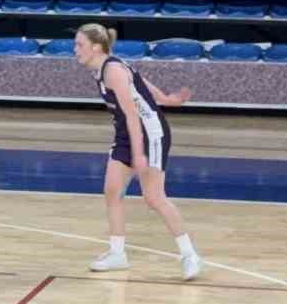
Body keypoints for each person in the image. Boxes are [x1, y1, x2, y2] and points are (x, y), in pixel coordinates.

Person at [72, 23, 202, 280]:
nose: (75, 50)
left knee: (154, 197)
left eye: (79, 45)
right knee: (112, 190)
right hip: (126, 135)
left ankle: (190, 256)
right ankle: (118, 254)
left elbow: (133, 114)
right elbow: (142, 84)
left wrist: (139, 153)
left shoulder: (113, 72)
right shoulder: (107, 67)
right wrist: (168, 98)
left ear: (96, 47)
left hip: (148, 133)